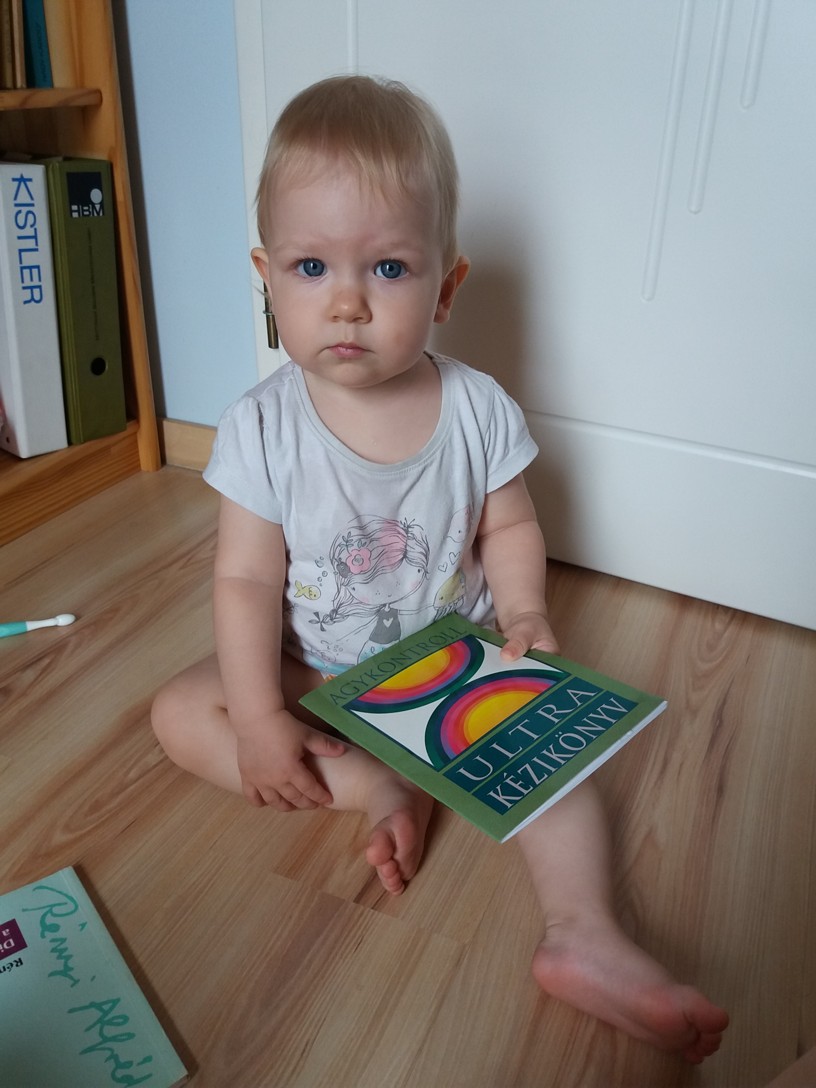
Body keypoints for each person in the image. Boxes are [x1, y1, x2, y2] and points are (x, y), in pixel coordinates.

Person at [152, 75, 729, 1063]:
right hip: (314, 667)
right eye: (309, 266)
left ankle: (583, 932)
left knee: (557, 758)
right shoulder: (261, 427)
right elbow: (244, 582)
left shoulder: (475, 408)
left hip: (450, 663)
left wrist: (526, 609)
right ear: (266, 278)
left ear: (446, 287)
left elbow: (511, 523)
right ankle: (381, 787)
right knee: (180, 712)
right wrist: (257, 717)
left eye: (387, 267)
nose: (345, 300)